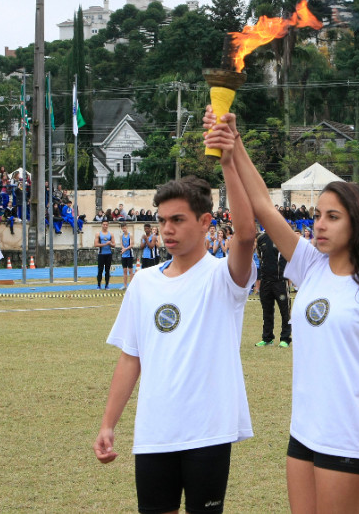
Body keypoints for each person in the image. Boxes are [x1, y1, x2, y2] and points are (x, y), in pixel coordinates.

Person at [203, 107, 359, 513]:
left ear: (357, 224)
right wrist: (235, 143)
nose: (319, 225)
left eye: (333, 217)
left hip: (349, 437)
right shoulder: (310, 265)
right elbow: (264, 207)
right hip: (303, 433)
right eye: (317, 215)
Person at [92, 170, 256, 514]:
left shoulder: (224, 277)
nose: (167, 229)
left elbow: (245, 236)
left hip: (207, 432)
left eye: (178, 219)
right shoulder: (144, 283)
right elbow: (130, 358)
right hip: (155, 430)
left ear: (204, 221)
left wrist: (228, 159)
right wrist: (108, 423)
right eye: (162, 220)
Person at [254, 230, 292, 348]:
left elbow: (288, 258)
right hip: (266, 281)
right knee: (267, 311)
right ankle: (267, 338)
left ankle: (285, 338)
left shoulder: (283, 237)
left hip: (280, 281)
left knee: (285, 312)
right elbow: (261, 257)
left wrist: (287, 277)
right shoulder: (261, 239)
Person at [95, 220, 115, 289]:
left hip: (108, 254)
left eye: (106, 225)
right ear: (102, 225)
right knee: (100, 270)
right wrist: (105, 244)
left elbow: (114, 244)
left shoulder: (111, 234)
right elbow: (96, 244)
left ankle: (107, 285)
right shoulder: (98, 234)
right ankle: (98, 285)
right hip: (101, 254)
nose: (105, 226)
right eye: (104, 224)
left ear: (108, 225)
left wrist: (110, 244)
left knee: (107, 270)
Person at [119, 222, 134, 289]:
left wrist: (125, 249)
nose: (124, 229)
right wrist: (123, 249)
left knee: (130, 270)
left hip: (129, 254)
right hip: (124, 255)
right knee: (124, 270)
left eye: (125, 228)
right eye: (123, 228)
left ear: (127, 228)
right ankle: (125, 285)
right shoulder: (121, 236)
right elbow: (121, 244)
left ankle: (131, 285)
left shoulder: (130, 235)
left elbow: (131, 245)